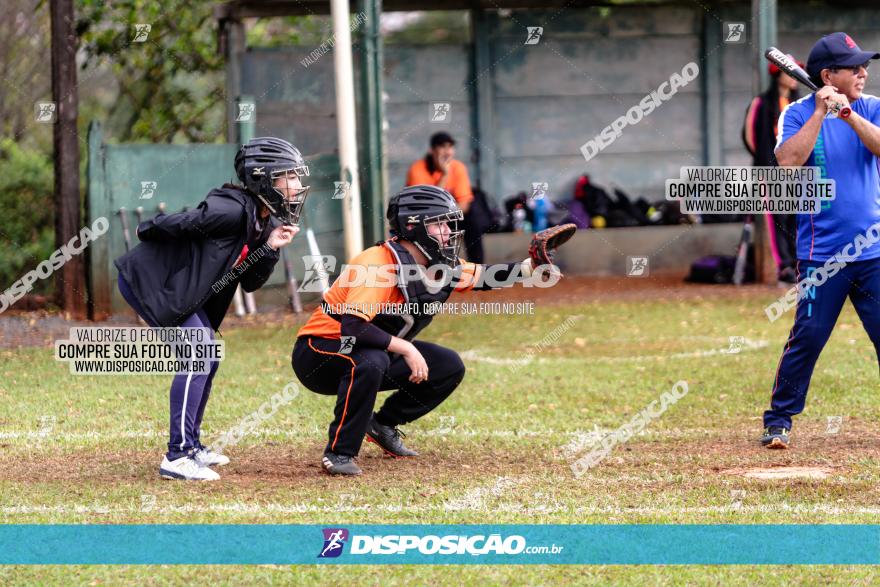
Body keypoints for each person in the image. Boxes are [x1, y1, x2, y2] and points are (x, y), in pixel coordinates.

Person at [292, 184, 575, 475]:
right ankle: (339, 453)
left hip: (370, 351)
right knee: (370, 360)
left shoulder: (438, 264)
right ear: (413, 226)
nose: (450, 232)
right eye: (441, 223)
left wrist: (531, 267)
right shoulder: (375, 264)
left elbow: (485, 276)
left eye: (450, 223)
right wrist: (406, 347)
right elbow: (353, 329)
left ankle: (382, 424)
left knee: (447, 365)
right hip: (319, 354)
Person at [114, 137, 307, 480]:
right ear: (262, 178)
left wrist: (272, 247)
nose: (296, 185)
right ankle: (176, 456)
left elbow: (250, 282)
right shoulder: (231, 209)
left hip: (179, 289)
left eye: (296, 176)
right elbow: (184, 221)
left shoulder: (263, 220)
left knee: (208, 354)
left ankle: (192, 447)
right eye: (288, 176)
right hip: (152, 281)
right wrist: (147, 228)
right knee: (199, 352)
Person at [762, 32, 880, 449]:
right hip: (822, 254)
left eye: (864, 65)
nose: (864, 71)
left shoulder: (872, 108)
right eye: (854, 66)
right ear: (828, 75)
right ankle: (778, 420)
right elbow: (788, 163)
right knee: (808, 335)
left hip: (873, 251)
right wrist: (819, 111)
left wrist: (847, 114)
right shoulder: (795, 113)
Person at [743, 57, 803, 283]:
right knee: (777, 219)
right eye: (790, 72)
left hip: (797, 173)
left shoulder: (800, 105)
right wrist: (765, 161)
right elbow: (750, 136)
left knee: (798, 217)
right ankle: (785, 267)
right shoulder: (761, 103)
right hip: (770, 172)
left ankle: (800, 263)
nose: (794, 78)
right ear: (778, 75)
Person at [406, 132, 488, 262]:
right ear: (432, 151)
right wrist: (444, 175)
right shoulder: (418, 169)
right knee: (435, 229)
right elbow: (424, 207)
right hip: (426, 219)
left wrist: (445, 219)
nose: (447, 152)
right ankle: (440, 265)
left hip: (450, 215)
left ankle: (477, 268)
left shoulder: (458, 167)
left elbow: (464, 205)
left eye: (450, 147)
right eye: (442, 147)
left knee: (473, 221)